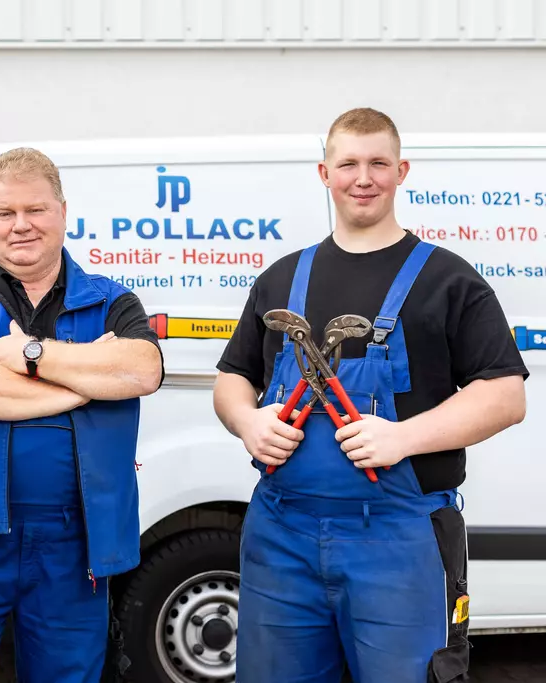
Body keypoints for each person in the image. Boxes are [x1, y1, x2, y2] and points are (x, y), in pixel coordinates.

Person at [213, 107, 528, 683]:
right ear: (324, 173)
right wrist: (247, 421)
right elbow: (233, 377)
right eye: (348, 164)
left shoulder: (447, 280)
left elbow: (505, 394)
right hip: (282, 535)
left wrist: (404, 437)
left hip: (398, 541)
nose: (364, 178)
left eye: (379, 163)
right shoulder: (281, 279)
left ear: (401, 171)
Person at [0, 147, 164, 682]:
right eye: (5, 213)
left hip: (74, 542)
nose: (20, 225)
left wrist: (32, 355)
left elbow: (142, 370)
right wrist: (83, 387)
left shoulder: (112, 303)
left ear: (63, 212)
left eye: (35, 210)